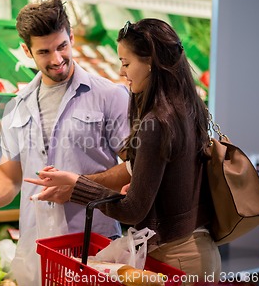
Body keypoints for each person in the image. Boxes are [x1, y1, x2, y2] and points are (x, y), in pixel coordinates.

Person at [25, 18, 221, 283]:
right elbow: (168, 178)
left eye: (126, 63)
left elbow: (133, 210)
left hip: (177, 257)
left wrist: (77, 187)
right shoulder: (187, 106)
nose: (121, 71)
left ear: (150, 60)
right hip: (197, 248)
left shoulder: (156, 121)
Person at [0, 0, 130, 238]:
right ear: (26, 51)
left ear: (71, 38)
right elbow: (9, 175)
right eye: (44, 52)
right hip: (36, 242)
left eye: (62, 46)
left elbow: (135, 168)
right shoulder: (17, 106)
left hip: (93, 240)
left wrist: (77, 187)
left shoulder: (110, 95)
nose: (57, 59)